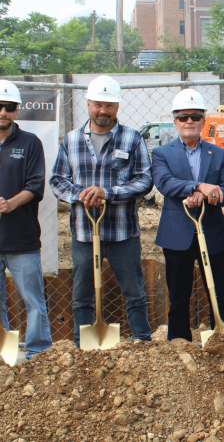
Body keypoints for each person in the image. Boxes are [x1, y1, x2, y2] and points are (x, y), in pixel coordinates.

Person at [50, 75, 153, 346]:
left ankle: (142, 343)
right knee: (82, 293)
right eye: (98, 104)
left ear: (117, 106)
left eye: (109, 105)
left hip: (123, 233)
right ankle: (84, 345)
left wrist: (108, 194)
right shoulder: (71, 140)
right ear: (88, 104)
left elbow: (145, 180)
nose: (103, 111)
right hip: (84, 233)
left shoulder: (132, 139)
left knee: (134, 292)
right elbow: (57, 180)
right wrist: (81, 195)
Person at [151, 89, 224, 341]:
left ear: (203, 122)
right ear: (175, 120)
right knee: (178, 294)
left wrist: (214, 194)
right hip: (177, 233)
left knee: (218, 291)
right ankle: (179, 343)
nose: (189, 121)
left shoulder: (219, 153)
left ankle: (221, 339)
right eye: (183, 117)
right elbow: (164, 183)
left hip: (211, 231)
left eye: (195, 117)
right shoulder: (161, 153)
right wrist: (197, 186)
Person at [0, 80, 53, 359]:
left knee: (33, 301)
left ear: (17, 111)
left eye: (9, 107)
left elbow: (35, 186)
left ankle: (38, 353)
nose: (3, 112)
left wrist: (9, 204)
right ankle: (3, 353)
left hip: (22, 239)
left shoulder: (30, 143)